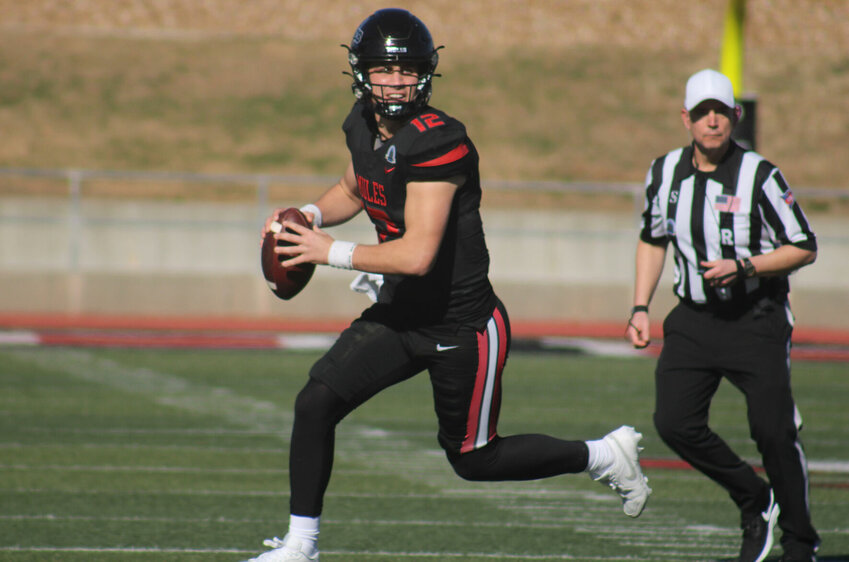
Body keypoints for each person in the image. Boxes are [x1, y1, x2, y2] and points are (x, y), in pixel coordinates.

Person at [244, 8, 651, 562]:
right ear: (360, 73)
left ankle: (603, 455)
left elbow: (416, 254)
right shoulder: (361, 123)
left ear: (426, 74)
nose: (396, 81)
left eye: (408, 69)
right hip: (402, 314)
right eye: (384, 70)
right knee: (315, 403)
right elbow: (355, 185)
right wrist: (313, 213)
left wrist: (328, 252)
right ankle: (302, 546)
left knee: (473, 459)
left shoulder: (439, 141)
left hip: (461, 325)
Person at [626, 68, 819, 562]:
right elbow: (653, 238)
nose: (711, 121)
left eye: (719, 111)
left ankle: (800, 542)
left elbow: (803, 246)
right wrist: (640, 306)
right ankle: (754, 499)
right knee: (674, 422)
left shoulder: (760, 174)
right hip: (692, 318)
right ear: (685, 119)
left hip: (756, 317)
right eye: (700, 113)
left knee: (774, 433)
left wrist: (746, 265)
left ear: (735, 115)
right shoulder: (664, 172)